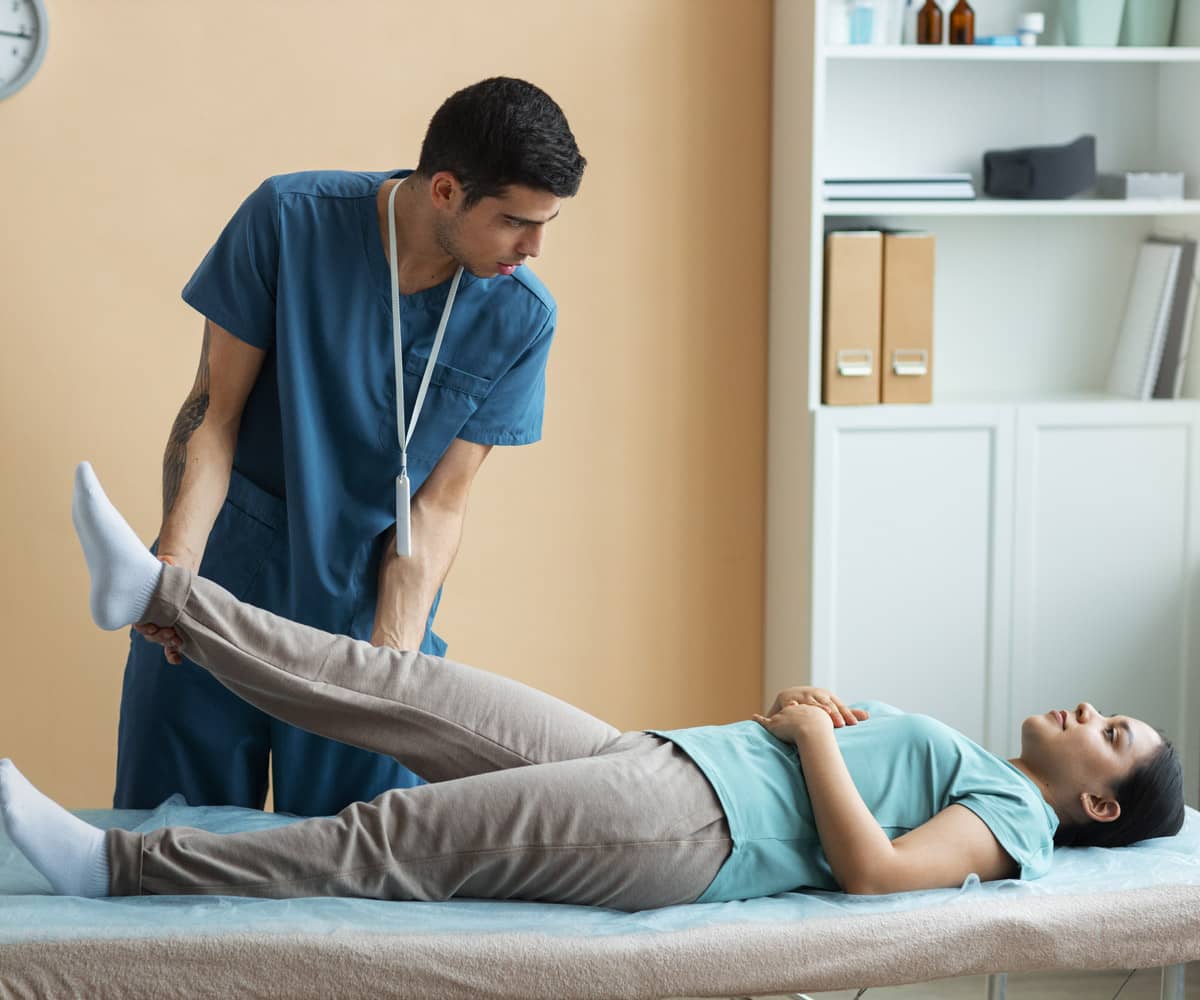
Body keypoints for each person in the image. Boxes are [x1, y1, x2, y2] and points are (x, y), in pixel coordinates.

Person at [0, 464, 1184, 907]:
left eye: (1115, 731)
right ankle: (160, 594)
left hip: (693, 829)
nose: (1091, 710)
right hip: (666, 761)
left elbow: (875, 873)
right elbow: (832, 777)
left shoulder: (1018, 819)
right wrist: (805, 714)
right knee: (395, 683)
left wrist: (812, 736)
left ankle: (116, 866)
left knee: (392, 836)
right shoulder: (984, 764)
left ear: (1098, 802)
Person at [115, 77, 587, 816]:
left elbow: (439, 504)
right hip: (224, 577)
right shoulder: (289, 218)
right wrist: (175, 573)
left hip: (367, 614)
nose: (533, 248)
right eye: (514, 222)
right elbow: (213, 416)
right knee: (169, 838)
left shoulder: (521, 317)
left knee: (356, 862)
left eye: (546, 224)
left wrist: (390, 662)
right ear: (444, 190)